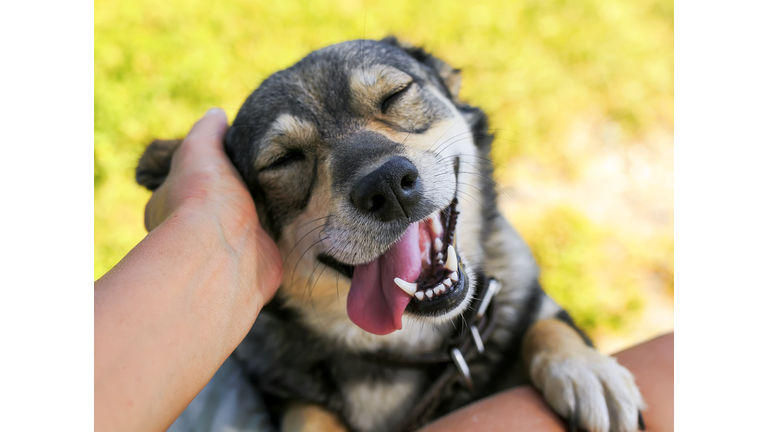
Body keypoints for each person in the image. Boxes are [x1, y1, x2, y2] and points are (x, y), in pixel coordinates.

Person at [95, 109, 673, 432]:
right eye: (287, 158)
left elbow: (531, 313)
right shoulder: (264, 350)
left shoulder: (505, 271)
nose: (380, 172)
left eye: (396, 100)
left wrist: (554, 344)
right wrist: (206, 225)